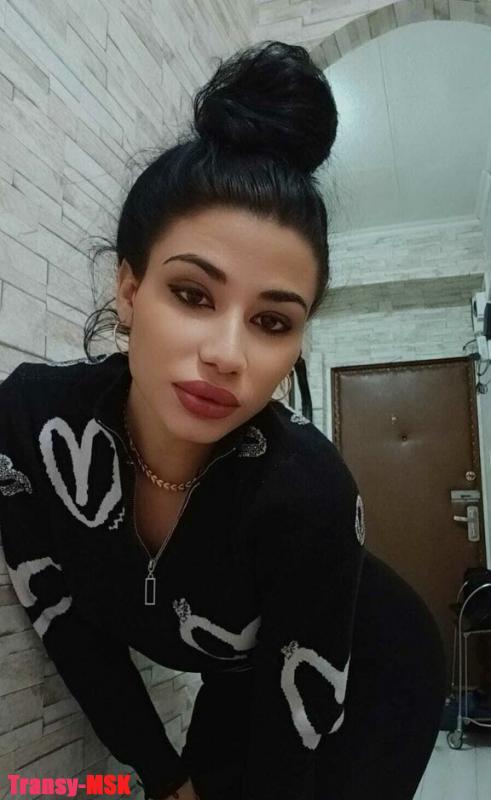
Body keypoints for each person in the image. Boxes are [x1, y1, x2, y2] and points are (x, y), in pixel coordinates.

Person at [0, 41, 446, 800]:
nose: (227, 354)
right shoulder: (31, 426)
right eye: (193, 295)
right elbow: (62, 618)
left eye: (272, 321)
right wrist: (162, 773)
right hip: (237, 673)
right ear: (130, 290)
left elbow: (291, 726)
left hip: (367, 669)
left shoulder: (308, 492)